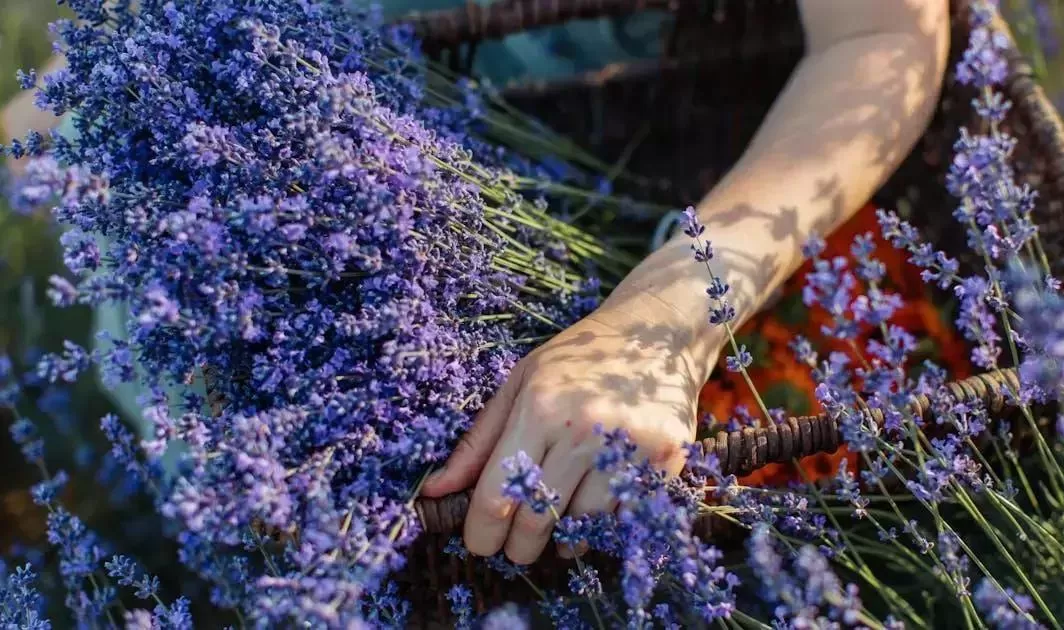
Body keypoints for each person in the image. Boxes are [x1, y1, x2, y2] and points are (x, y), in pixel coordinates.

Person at [5, 0, 952, 566]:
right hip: (246, 263)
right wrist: (92, 87)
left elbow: (877, 33)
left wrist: (660, 317)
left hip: (633, 184)